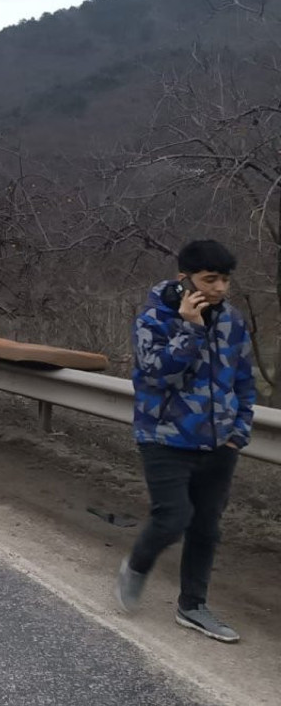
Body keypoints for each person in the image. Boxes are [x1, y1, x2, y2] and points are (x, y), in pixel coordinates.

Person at [116, 239, 255, 643]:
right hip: (164, 439)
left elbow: (244, 382)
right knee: (173, 518)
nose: (219, 289)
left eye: (225, 280)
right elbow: (158, 374)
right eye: (209, 279)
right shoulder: (152, 320)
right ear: (184, 280)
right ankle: (137, 566)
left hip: (218, 444)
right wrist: (190, 329)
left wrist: (237, 434)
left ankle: (192, 606)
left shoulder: (232, 322)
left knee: (207, 529)